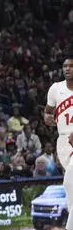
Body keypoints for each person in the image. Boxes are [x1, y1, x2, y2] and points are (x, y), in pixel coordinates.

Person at [44, 56, 73, 230]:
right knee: (71, 187)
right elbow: (48, 111)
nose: (68, 69)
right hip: (63, 141)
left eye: (71, 66)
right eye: (65, 66)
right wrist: (47, 117)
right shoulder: (56, 89)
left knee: (70, 181)